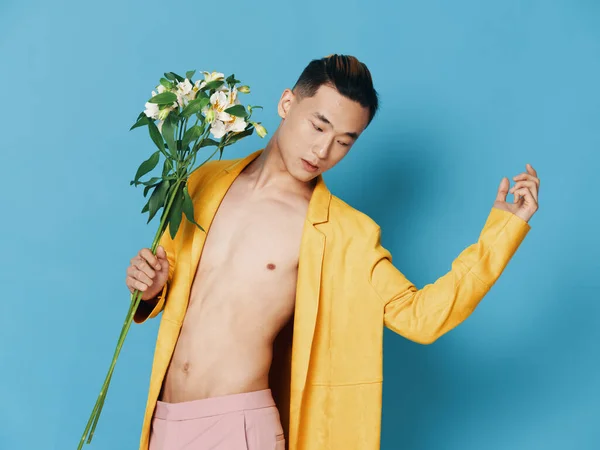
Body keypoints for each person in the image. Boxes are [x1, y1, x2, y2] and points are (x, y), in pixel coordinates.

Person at [126, 54, 539, 450]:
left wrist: (503, 232)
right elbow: (169, 283)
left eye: (344, 142)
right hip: (166, 418)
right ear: (288, 103)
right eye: (318, 127)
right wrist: (149, 287)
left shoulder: (344, 233)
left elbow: (421, 317)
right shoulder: (204, 181)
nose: (323, 152)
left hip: (239, 428)